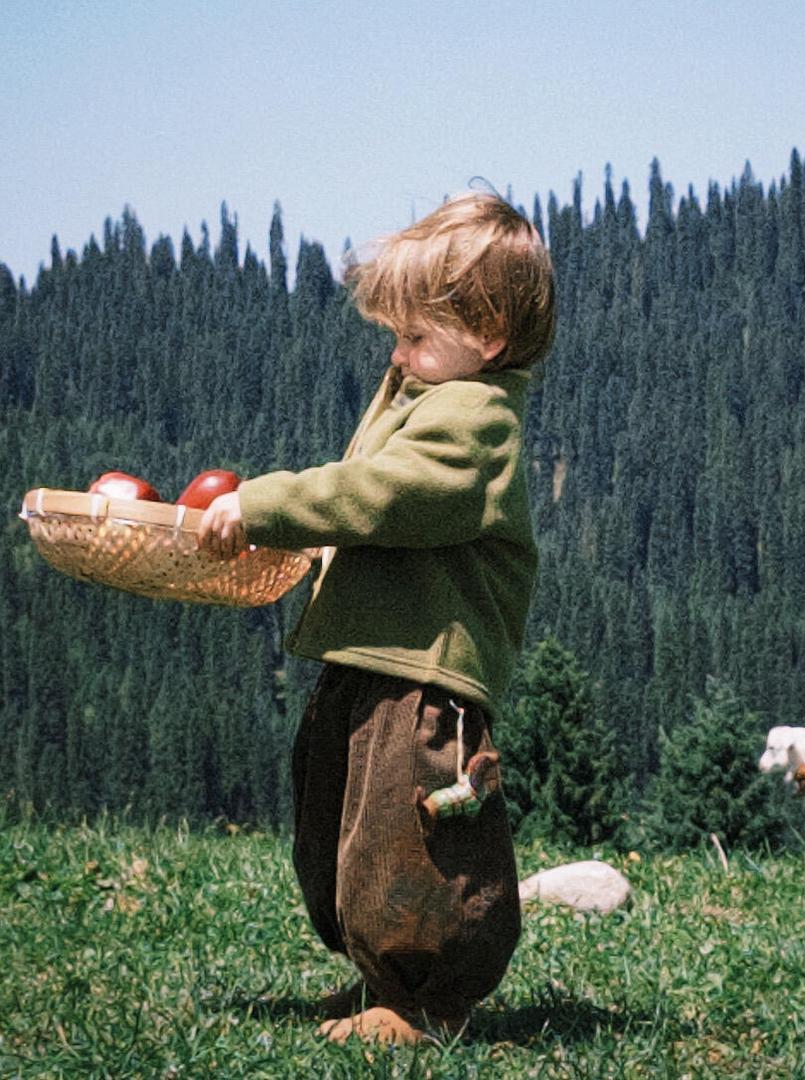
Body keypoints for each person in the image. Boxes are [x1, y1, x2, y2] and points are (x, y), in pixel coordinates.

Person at [197, 191, 555, 1045]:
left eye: (416, 335)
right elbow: (367, 507)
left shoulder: (477, 420)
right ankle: (380, 978)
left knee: (413, 834)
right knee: (346, 823)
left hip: (427, 671)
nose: (397, 354)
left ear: (491, 336)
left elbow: (380, 495)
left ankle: (425, 995)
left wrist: (268, 506)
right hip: (374, 657)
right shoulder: (427, 392)